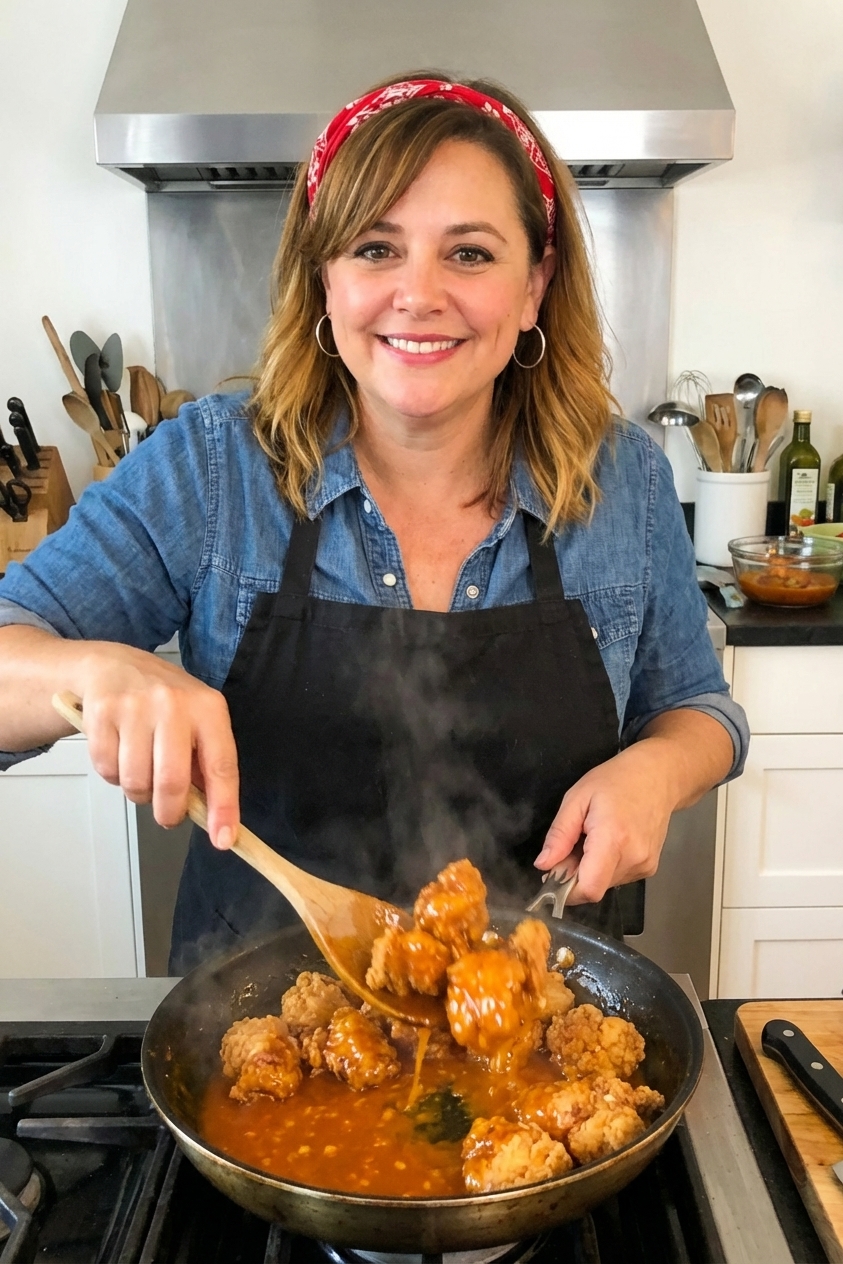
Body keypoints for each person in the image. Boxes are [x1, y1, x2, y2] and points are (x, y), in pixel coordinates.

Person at [0, 74, 746, 972]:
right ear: (324, 280)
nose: (417, 294)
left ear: (534, 286)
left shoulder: (621, 480)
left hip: (543, 1019)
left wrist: (656, 770)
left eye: (468, 253)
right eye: (374, 248)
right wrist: (91, 670)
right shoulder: (209, 469)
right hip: (251, 1030)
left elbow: (698, 710)